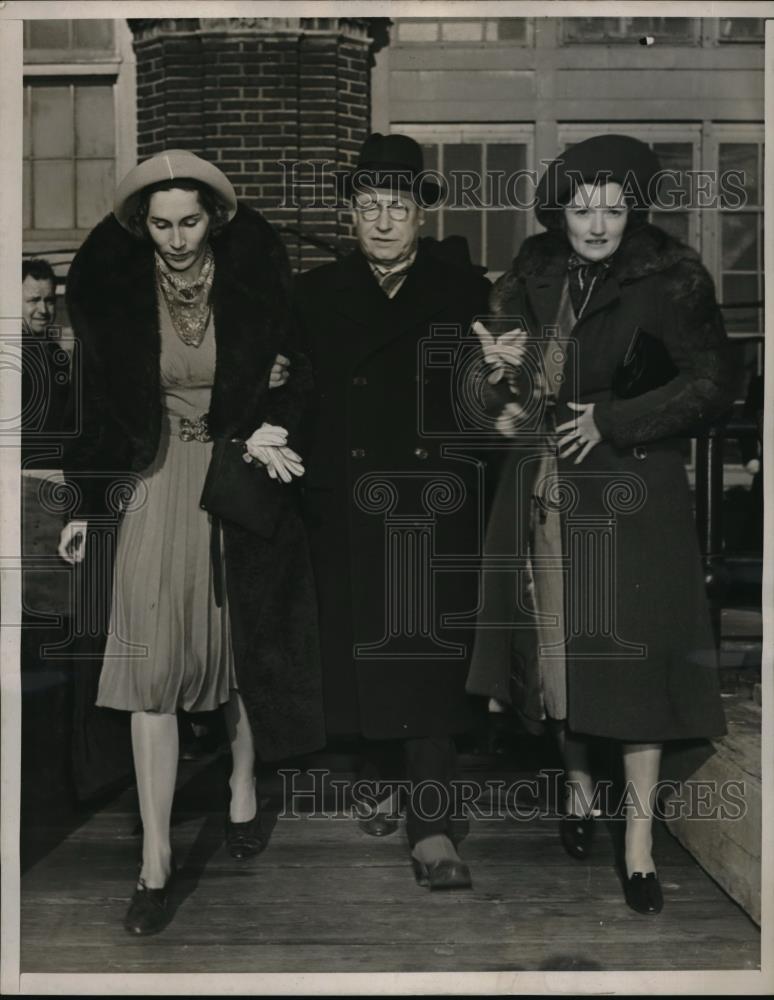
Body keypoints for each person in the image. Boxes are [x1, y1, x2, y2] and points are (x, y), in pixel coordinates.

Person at [58, 149, 324, 935]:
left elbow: (304, 375)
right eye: (162, 224)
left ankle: (242, 779)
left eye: (191, 220)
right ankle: (155, 859)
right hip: (155, 476)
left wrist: (279, 415)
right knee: (149, 659)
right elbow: (96, 405)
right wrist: (85, 502)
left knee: (240, 635)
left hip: (241, 471)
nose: (177, 239)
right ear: (144, 225)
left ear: (214, 218)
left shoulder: (256, 288)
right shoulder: (118, 296)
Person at [467, 134, 735, 914]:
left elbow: (715, 379)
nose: (598, 224)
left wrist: (615, 418)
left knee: (636, 664)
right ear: (560, 211)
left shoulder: (672, 276)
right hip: (546, 490)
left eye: (614, 210)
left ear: (634, 211)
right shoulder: (529, 277)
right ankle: (580, 787)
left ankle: (640, 845)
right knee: (560, 653)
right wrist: (497, 373)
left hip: (634, 495)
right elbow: (501, 394)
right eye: (583, 209)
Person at [295, 133, 491, 890]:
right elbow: (294, 390)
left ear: (421, 215)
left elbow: (486, 400)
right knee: (362, 649)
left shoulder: (464, 290)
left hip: (432, 503)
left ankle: (433, 826)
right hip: (344, 501)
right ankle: (382, 776)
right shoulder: (312, 294)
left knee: (426, 661)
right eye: (369, 207)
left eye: (398, 207)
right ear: (351, 214)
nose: (382, 222)